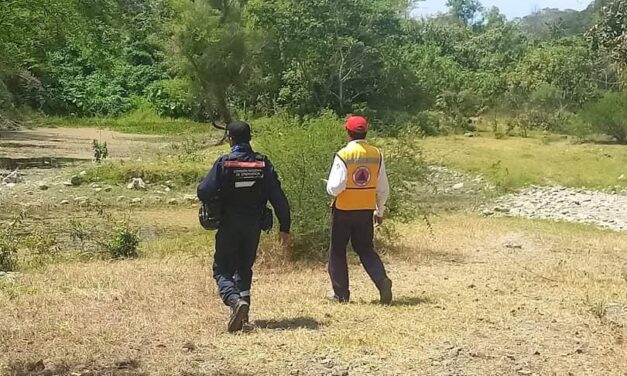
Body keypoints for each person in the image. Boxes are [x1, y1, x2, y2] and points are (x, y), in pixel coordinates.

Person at [197, 120, 291, 332]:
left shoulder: (225, 163)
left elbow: (204, 192)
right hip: (253, 225)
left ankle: (234, 301)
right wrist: (285, 227)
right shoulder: (262, 164)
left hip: (230, 223)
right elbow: (279, 198)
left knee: (221, 269)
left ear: (230, 139)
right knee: (244, 267)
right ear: (249, 138)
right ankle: (243, 315)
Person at [325, 115, 393, 304]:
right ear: (366, 132)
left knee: (337, 251)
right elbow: (383, 187)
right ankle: (381, 280)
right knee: (365, 248)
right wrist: (379, 211)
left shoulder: (344, 155)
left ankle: (341, 295)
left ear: (348, 132)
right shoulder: (376, 154)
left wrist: (330, 188)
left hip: (344, 210)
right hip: (366, 210)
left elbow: (334, 187)